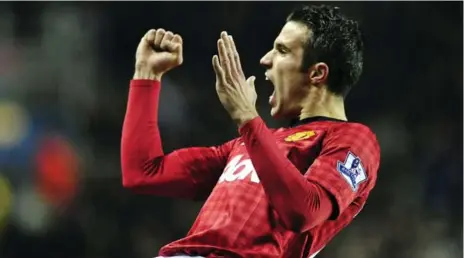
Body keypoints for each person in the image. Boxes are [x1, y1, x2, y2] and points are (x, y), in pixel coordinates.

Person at [121, 4, 380, 258]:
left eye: (282, 50)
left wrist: (247, 116)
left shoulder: (352, 138)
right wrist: (147, 75)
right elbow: (143, 173)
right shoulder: (249, 144)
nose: (265, 59)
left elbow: (305, 211)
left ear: (317, 73)